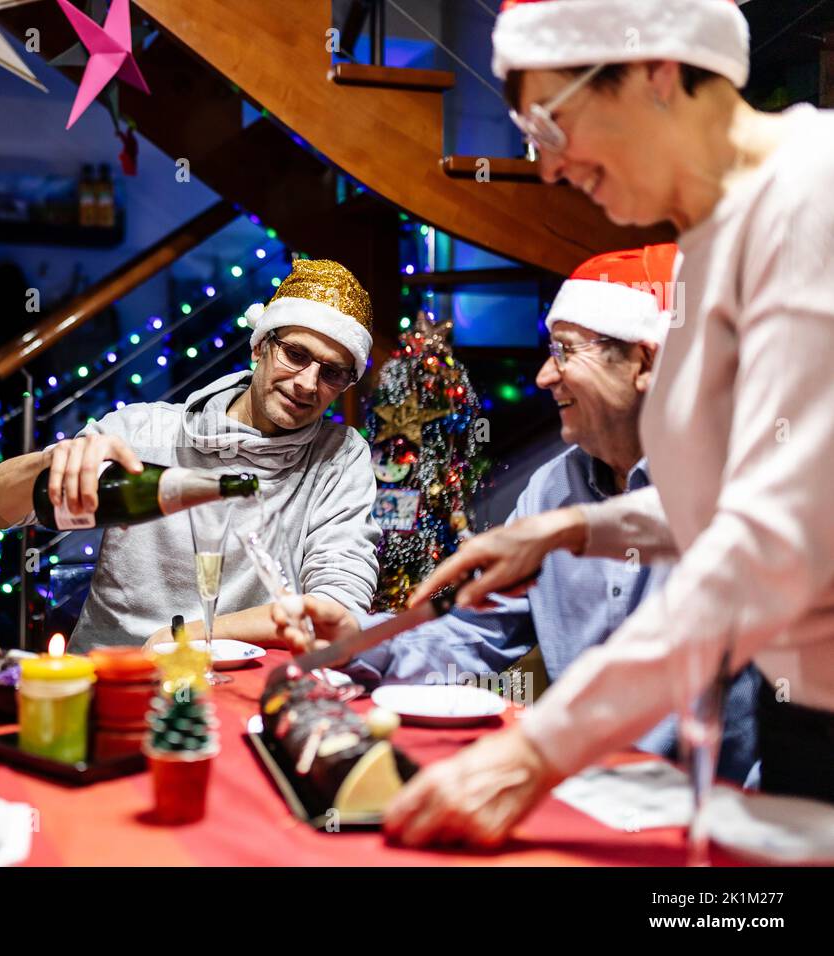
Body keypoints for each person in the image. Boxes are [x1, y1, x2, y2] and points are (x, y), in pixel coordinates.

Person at [387, 0, 834, 845]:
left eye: (550, 122)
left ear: (658, 70)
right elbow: (737, 498)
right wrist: (570, 529)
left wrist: (535, 753)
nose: (548, 168)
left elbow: (779, 539)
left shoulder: (813, 194)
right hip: (803, 717)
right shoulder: (708, 236)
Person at [286, 246, 759, 781]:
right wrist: (356, 639)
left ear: (646, 363)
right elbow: (469, 633)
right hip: (583, 790)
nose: (542, 377)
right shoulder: (552, 489)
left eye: (565, 351)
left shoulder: (750, 485)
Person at [0, 258, 381, 651]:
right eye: (296, 354)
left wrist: (184, 637)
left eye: (332, 372)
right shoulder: (143, 432)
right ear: (259, 348)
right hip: (110, 677)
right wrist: (48, 465)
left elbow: (338, 611)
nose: (308, 383)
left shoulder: (339, 458)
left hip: (240, 691)